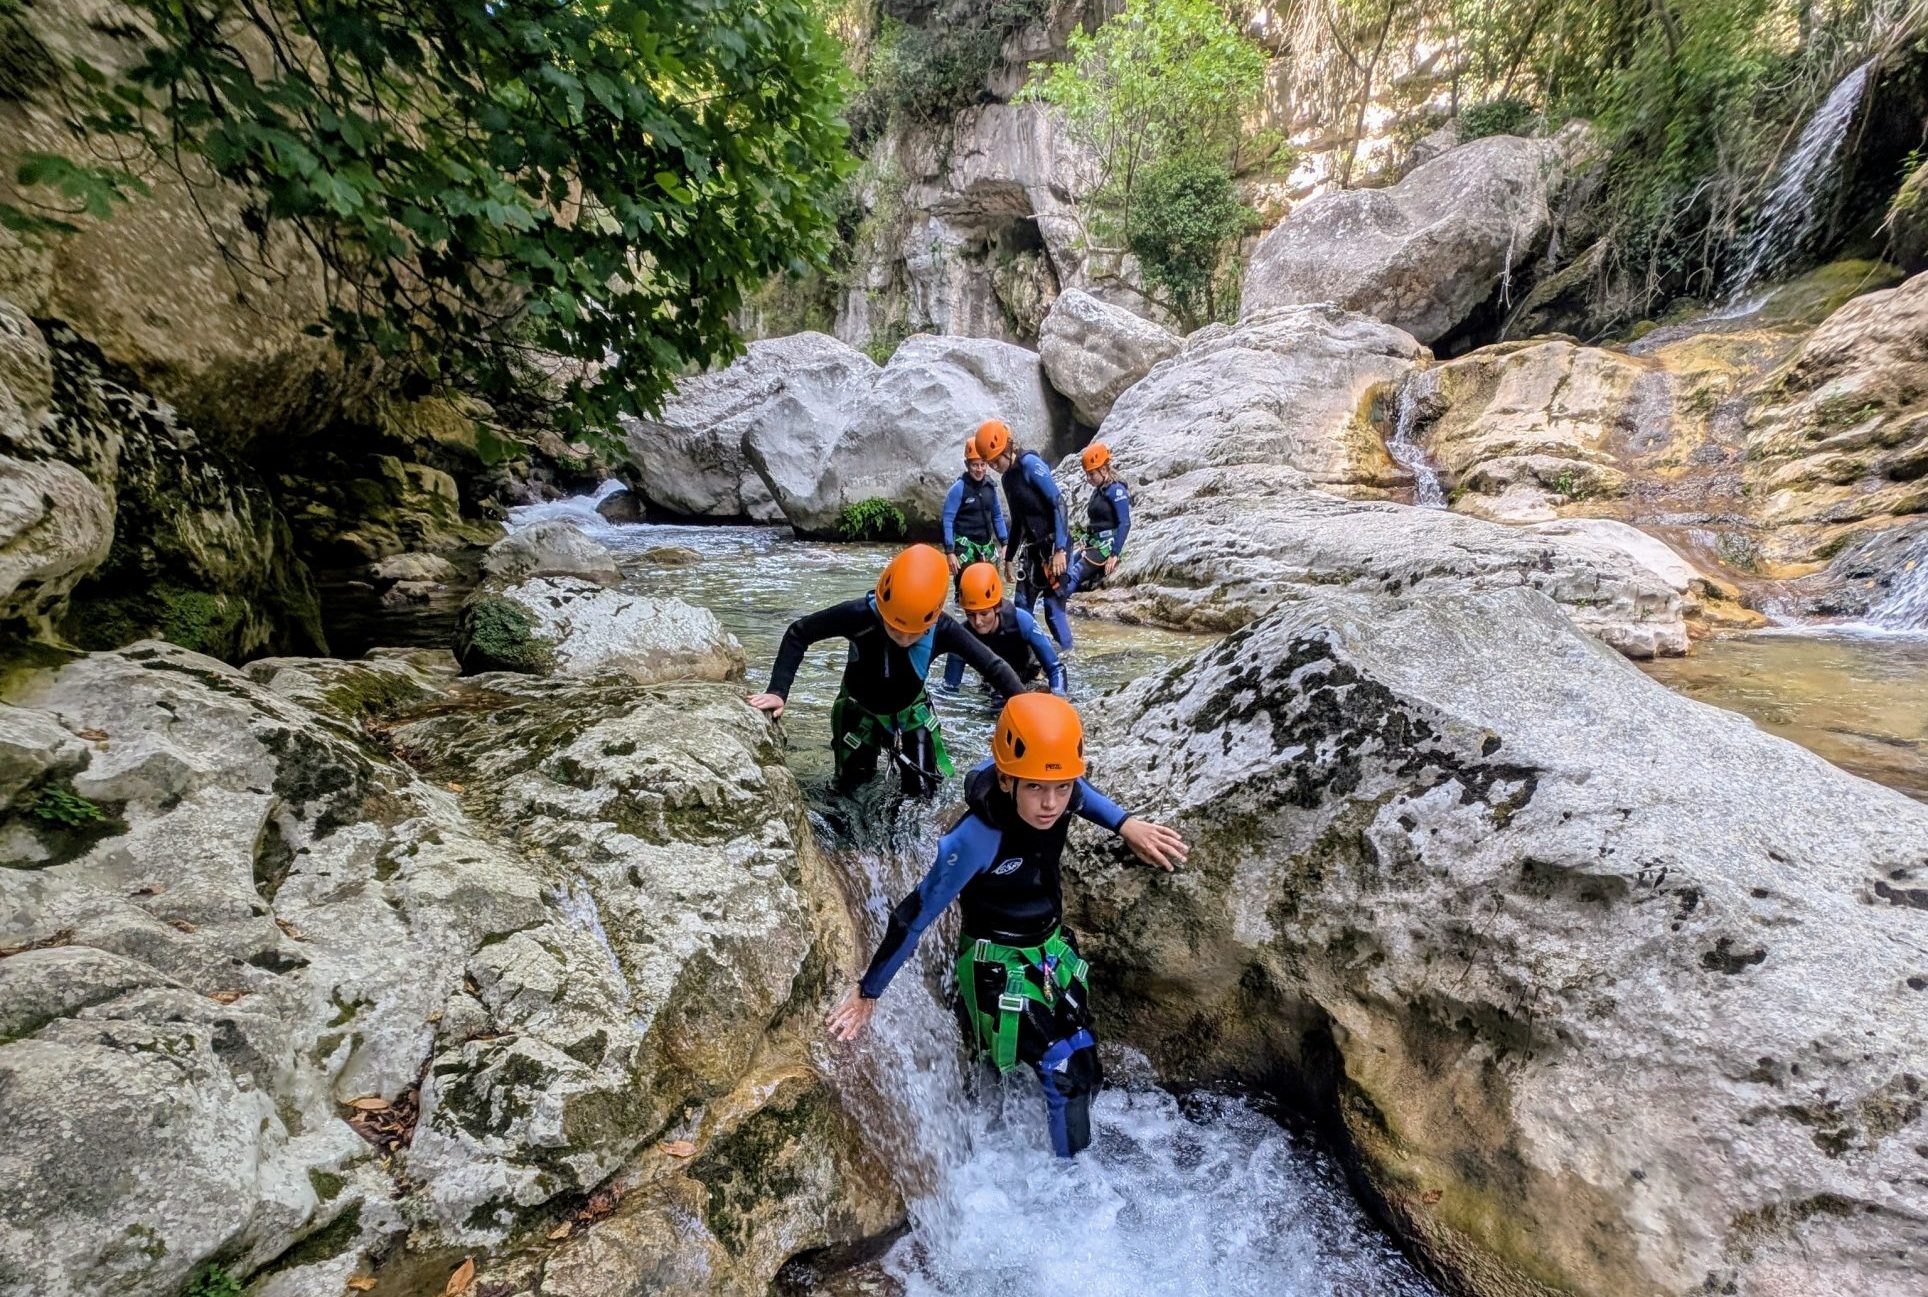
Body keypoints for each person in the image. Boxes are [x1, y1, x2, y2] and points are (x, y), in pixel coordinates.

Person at [827, 693, 1187, 1157]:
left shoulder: (1058, 787)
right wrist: (867, 991)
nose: (1051, 805)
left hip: (1050, 949)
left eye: (1059, 789)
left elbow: (1082, 796)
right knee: (1065, 1073)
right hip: (994, 965)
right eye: (1036, 788)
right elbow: (914, 915)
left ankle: (1064, 1151)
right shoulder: (975, 837)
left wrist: (1125, 823)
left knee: (1089, 1068)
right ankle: (1070, 1186)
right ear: (1006, 779)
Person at [747, 545, 1025, 797]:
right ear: (883, 605)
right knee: (851, 793)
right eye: (893, 627)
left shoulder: (944, 629)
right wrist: (778, 691)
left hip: (911, 713)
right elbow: (799, 633)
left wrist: (1028, 711)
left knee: (922, 795)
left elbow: (994, 667)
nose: (901, 638)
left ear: (932, 618)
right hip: (859, 712)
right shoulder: (859, 614)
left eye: (912, 633)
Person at [974, 418, 1073, 650]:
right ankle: (1025, 656)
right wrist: (1008, 558)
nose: (994, 466)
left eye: (996, 460)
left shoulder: (1031, 465)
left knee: (1052, 609)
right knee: (1020, 607)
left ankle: (1068, 656)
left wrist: (1060, 549)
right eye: (990, 463)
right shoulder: (1008, 479)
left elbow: (1059, 504)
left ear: (1008, 449)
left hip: (1054, 547)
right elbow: (1018, 520)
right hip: (1033, 550)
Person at [939, 562, 1064, 697]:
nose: (978, 622)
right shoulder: (961, 637)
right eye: (970, 614)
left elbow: (1055, 669)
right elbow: (950, 688)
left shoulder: (1022, 621)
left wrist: (1058, 696)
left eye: (984, 613)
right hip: (996, 683)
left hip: (1033, 675)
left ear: (997, 607)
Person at [1060, 442, 1132, 611]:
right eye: (1087, 474)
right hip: (1094, 544)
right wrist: (1087, 539)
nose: (1088, 479)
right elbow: (1096, 522)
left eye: (1091, 474)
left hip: (1105, 548)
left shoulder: (1116, 490)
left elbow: (1125, 522)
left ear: (1104, 470)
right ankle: (1051, 601)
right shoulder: (1100, 490)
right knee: (1065, 568)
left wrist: (1114, 554)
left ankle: (1057, 605)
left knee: (1075, 572)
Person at [942, 434, 1007, 594]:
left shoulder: (990, 487)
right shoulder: (959, 488)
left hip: (987, 546)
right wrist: (950, 552)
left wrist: (1005, 543)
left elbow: (997, 516)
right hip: (965, 547)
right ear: (967, 465)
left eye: (983, 464)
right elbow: (947, 520)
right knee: (964, 591)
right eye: (975, 465)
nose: (979, 469)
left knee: (990, 589)